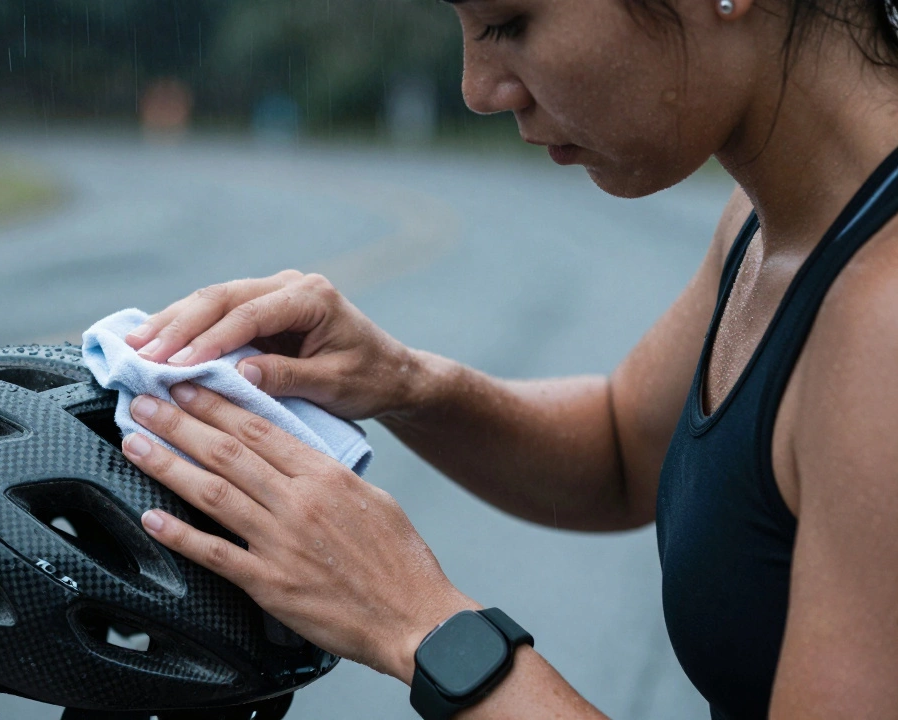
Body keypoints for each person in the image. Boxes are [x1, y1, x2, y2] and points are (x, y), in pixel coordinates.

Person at [108, 0, 898, 715]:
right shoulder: (775, 222)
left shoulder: (884, 324)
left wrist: (419, 625)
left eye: (509, 23)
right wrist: (402, 383)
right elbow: (629, 452)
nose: (479, 87)